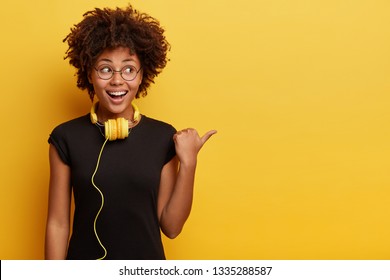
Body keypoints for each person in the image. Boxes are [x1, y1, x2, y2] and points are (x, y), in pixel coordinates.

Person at [45, 4, 216, 260]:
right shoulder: (65, 138)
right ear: (89, 74)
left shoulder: (162, 138)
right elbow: (58, 224)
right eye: (105, 68)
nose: (117, 80)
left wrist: (189, 163)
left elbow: (171, 227)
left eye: (128, 69)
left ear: (141, 75)